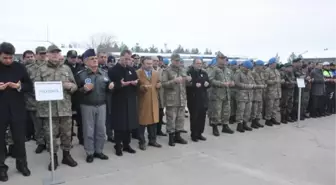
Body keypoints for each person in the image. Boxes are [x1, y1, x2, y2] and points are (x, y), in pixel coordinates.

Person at [35, 45, 78, 171]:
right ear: (47, 54)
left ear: (60, 55)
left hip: (64, 107)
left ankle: (66, 155)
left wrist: (71, 87)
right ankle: (53, 158)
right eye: (52, 53)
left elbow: (75, 86)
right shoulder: (41, 69)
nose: (55, 55)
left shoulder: (66, 68)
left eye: (57, 53)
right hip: (49, 110)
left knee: (67, 133)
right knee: (50, 135)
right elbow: (36, 88)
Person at [0, 42, 32, 181]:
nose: (8, 61)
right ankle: (1, 168)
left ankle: (22, 164)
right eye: (5, 58)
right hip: (1, 109)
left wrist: (19, 86)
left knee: (19, 138)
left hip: (17, 108)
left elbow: (29, 85)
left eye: (10, 58)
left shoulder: (20, 67)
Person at [76, 49, 113, 163]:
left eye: (96, 58)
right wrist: (83, 89)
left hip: (101, 105)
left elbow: (107, 88)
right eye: (92, 59)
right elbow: (75, 92)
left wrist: (110, 87)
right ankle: (90, 152)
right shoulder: (81, 75)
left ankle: (99, 151)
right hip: (87, 105)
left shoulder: (104, 73)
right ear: (86, 62)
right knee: (89, 130)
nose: (95, 61)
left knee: (101, 130)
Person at [108, 50, 139, 156]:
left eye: (129, 59)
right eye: (125, 58)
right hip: (118, 100)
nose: (127, 61)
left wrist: (135, 83)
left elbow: (137, 81)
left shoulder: (131, 69)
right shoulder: (113, 70)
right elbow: (109, 86)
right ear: (120, 57)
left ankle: (126, 144)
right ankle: (117, 145)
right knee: (119, 125)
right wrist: (120, 85)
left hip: (130, 99)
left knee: (129, 124)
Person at [162, 53, 190, 146]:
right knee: (171, 118)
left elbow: (185, 83)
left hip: (181, 98)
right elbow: (164, 84)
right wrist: (174, 81)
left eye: (179, 61)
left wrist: (189, 80)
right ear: (172, 60)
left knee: (180, 118)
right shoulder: (167, 71)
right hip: (172, 99)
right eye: (176, 60)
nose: (178, 62)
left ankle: (178, 136)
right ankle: (171, 137)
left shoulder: (182, 70)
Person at [23, 49, 47, 153]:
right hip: (33, 101)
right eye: (40, 54)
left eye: (44, 54)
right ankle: (41, 143)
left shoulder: (49, 66)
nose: (42, 56)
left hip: (47, 101)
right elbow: (24, 84)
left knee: (48, 124)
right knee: (37, 125)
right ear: (36, 55)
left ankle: (49, 143)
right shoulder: (28, 69)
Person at [136, 56, 162, 150]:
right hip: (143, 101)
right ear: (142, 64)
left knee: (153, 122)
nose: (150, 65)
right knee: (142, 123)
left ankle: (152, 140)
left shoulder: (156, 73)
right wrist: (142, 88)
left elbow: (158, 82)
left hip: (154, 100)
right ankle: (142, 142)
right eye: (148, 63)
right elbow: (135, 88)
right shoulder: (138, 73)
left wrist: (159, 84)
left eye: (151, 63)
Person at [207, 52, 235, 136]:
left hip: (226, 94)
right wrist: (221, 83)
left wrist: (232, 83)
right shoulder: (213, 69)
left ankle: (225, 126)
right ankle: (215, 127)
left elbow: (232, 79)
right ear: (217, 59)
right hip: (217, 94)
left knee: (226, 111)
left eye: (224, 58)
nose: (223, 60)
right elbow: (210, 80)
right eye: (221, 58)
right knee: (217, 112)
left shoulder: (228, 70)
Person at [234, 60, 264, 132]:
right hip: (241, 95)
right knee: (241, 111)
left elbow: (252, 82)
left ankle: (245, 124)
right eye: (247, 68)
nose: (248, 69)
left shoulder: (249, 73)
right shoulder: (238, 73)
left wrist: (255, 86)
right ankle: (239, 125)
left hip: (249, 95)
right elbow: (237, 83)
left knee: (247, 111)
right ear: (243, 66)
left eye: (249, 68)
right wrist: (247, 86)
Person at [186, 58, 209, 142]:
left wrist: (207, 84)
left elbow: (207, 82)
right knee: (194, 117)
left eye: (200, 63)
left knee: (202, 117)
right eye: (197, 63)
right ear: (193, 64)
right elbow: (187, 84)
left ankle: (200, 133)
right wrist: (195, 85)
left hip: (203, 98)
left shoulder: (204, 72)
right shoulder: (189, 72)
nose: (199, 65)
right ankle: (194, 134)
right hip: (193, 98)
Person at [264, 57, 283, 126]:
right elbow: (265, 81)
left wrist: (281, 81)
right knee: (270, 106)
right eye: (275, 63)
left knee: (275, 106)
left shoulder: (277, 71)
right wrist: (273, 81)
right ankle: (268, 119)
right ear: (271, 63)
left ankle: (273, 118)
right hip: (270, 92)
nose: (276, 64)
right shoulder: (267, 71)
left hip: (277, 91)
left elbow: (279, 80)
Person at [251, 60, 266, 128]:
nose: (262, 67)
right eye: (261, 65)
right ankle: (253, 122)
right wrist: (261, 86)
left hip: (261, 93)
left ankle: (257, 121)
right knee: (255, 109)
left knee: (259, 109)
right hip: (255, 94)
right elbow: (252, 84)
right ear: (257, 66)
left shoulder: (261, 73)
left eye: (262, 65)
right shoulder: (253, 73)